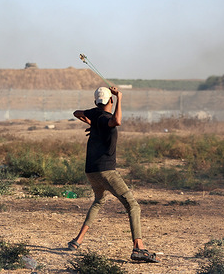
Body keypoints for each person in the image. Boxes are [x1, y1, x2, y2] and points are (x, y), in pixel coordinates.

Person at [67, 86, 158, 263]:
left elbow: (76, 112)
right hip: (106, 170)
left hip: (91, 170)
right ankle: (138, 248)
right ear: (111, 101)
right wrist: (121, 98)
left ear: (96, 102)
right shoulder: (106, 117)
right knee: (133, 205)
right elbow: (117, 121)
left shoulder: (94, 114)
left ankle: (77, 241)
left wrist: (89, 122)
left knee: (99, 201)